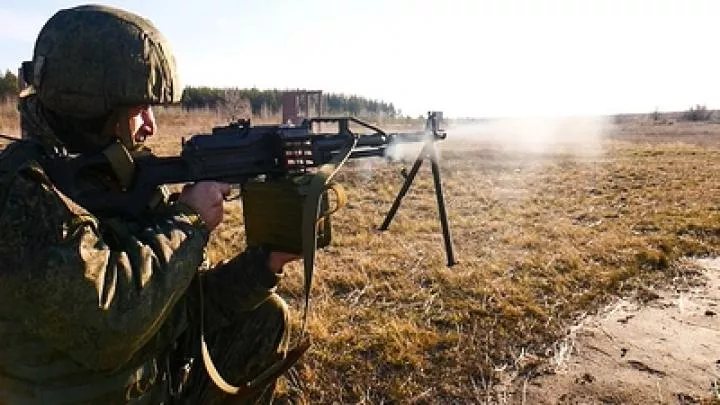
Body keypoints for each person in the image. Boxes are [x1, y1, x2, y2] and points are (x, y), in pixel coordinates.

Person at [0, 4, 301, 404]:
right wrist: (188, 223)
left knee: (266, 315)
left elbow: (182, 307)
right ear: (92, 106)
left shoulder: (121, 178)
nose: (151, 126)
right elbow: (109, 327)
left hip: (150, 384)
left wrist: (266, 265)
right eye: (140, 109)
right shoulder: (21, 196)